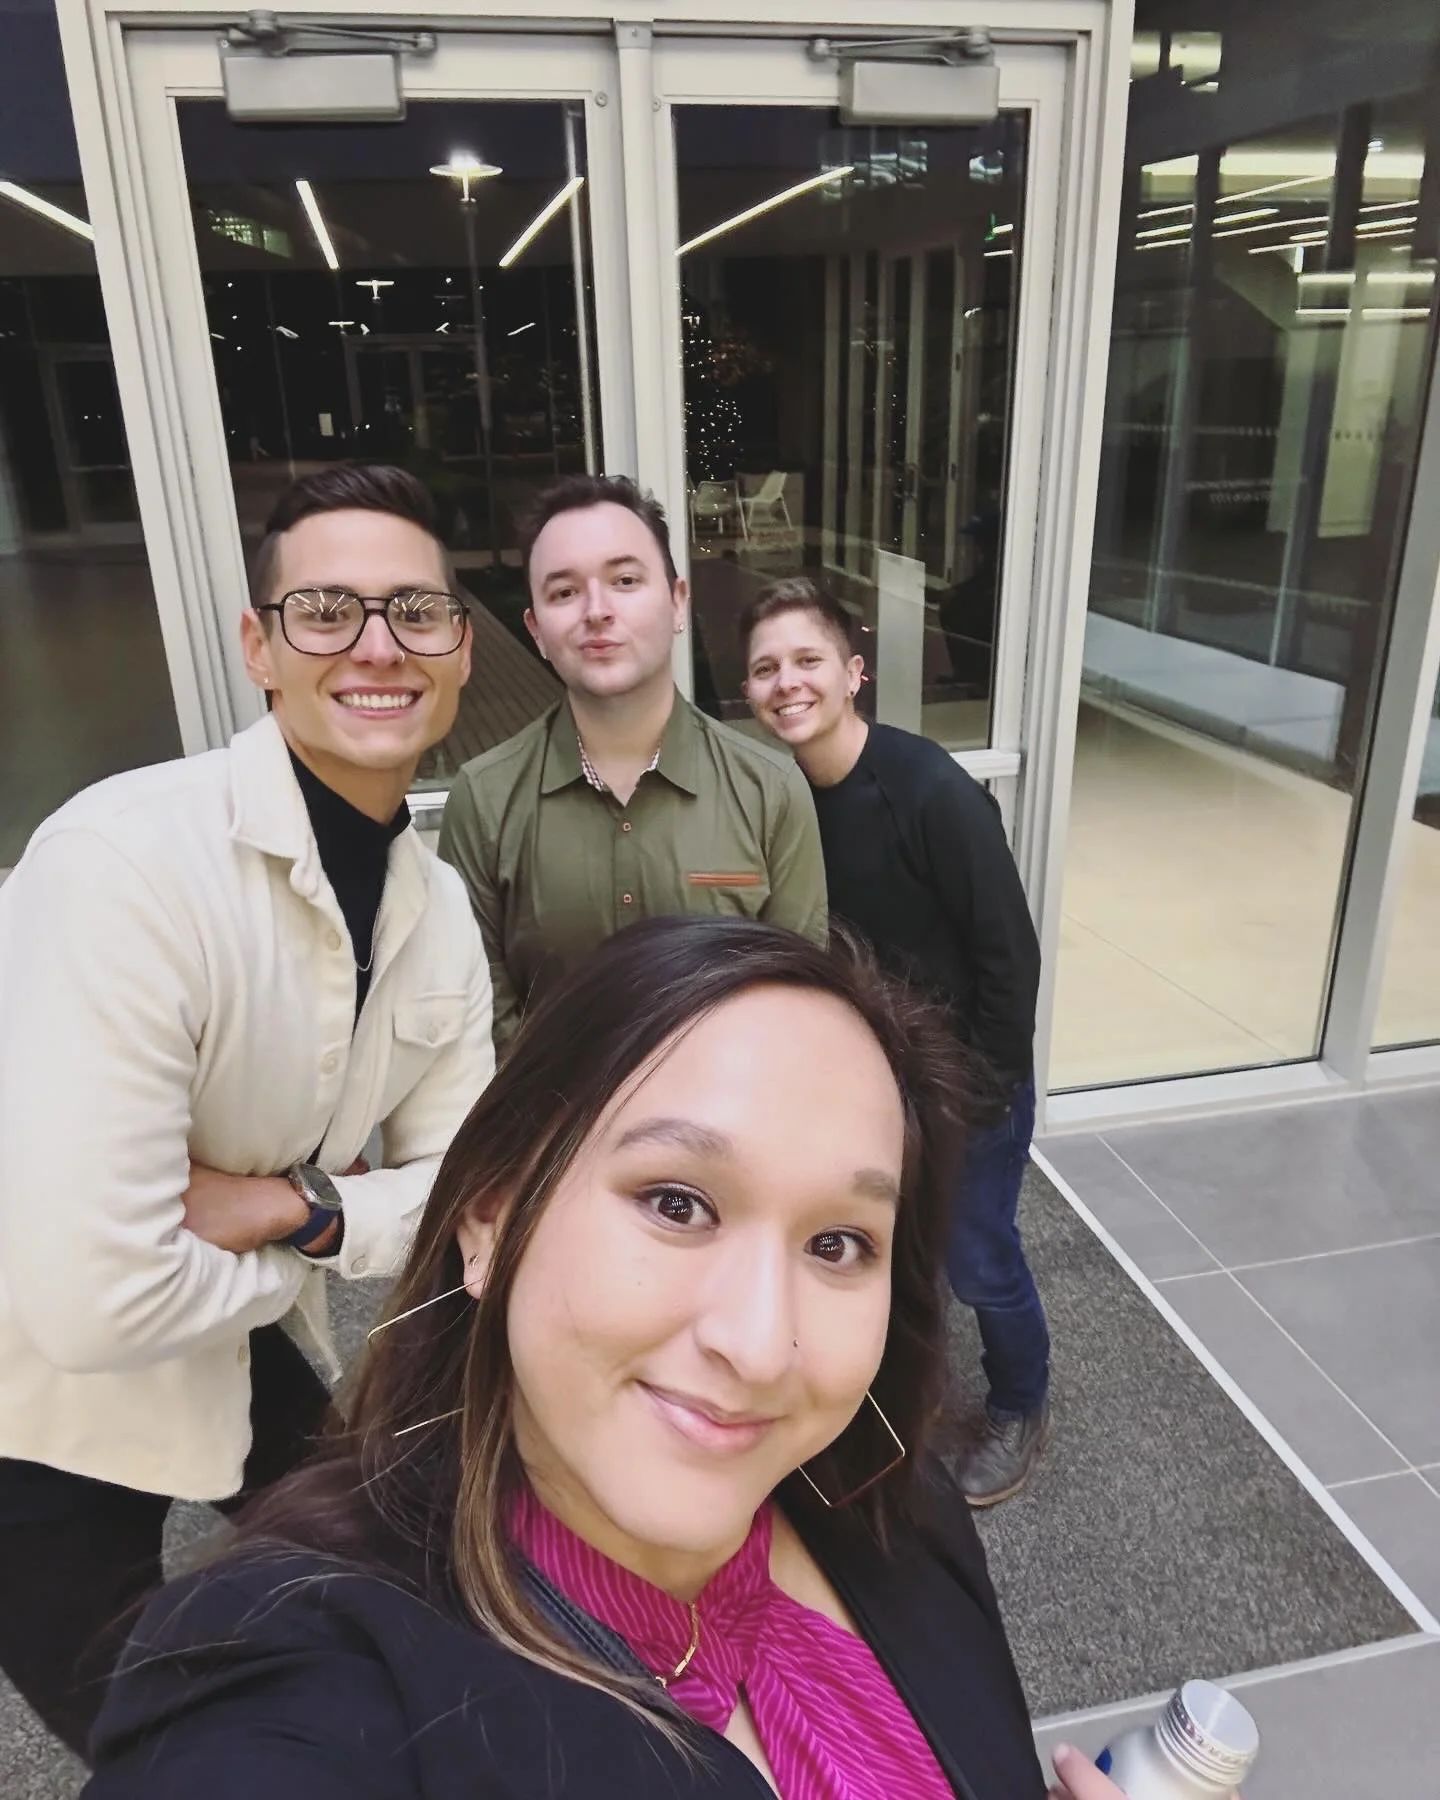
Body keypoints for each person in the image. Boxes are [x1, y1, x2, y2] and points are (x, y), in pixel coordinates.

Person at [81, 918, 1126, 1800]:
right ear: (491, 1218)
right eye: (677, 1204)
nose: (760, 1345)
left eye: (838, 1244)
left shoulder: (896, 1502)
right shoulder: (304, 1673)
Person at [0, 463, 495, 1758]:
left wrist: (294, 1206)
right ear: (259, 649)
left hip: (222, 1316)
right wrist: (304, 1253)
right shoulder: (122, 865)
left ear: (459, 650)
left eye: (416, 612)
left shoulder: (437, 912)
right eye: (326, 611)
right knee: (167, 1745)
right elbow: (94, 1304)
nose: (377, 647)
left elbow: (475, 1192)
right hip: (27, 1393)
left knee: (406, 1581)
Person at [741, 578, 1049, 1507]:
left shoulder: (931, 792)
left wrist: (984, 1092)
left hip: (967, 1083)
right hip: (864, 1082)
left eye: (807, 660)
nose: (787, 683)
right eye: (765, 668)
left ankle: (1019, 1402)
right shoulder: (777, 797)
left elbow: (1009, 954)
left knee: (976, 1257)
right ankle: (897, 1396)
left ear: (853, 673)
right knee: (884, 1250)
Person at [438, 474, 827, 1050]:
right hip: (549, 1107)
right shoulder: (484, 800)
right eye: (564, 592)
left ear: (677, 601)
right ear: (536, 630)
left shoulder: (770, 790)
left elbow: (798, 1003)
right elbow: (478, 1015)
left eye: (624, 581)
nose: (597, 611)